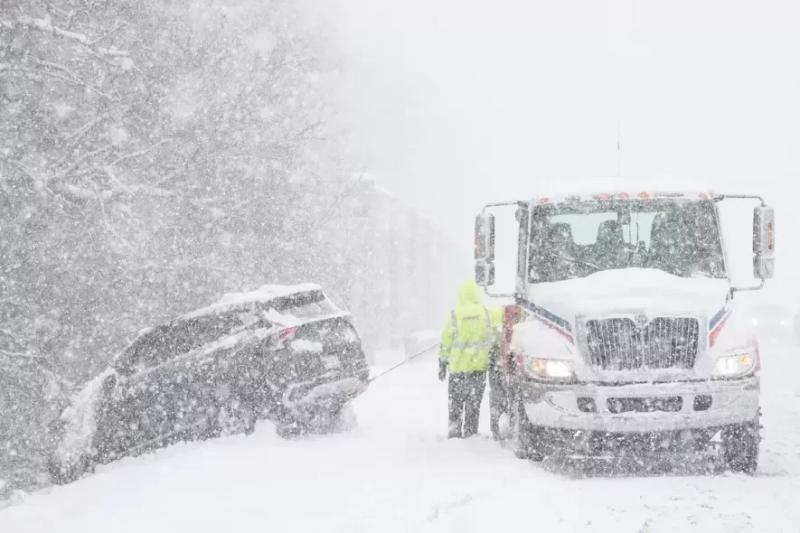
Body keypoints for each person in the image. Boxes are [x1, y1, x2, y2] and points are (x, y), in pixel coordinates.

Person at [438, 281, 501, 438]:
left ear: (461, 296)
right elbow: (505, 314)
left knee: (455, 406)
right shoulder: (486, 313)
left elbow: (446, 342)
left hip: (457, 372)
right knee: (473, 406)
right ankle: (471, 434)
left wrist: (442, 363)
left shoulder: (454, 315)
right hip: (478, 371)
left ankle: (454, 433)